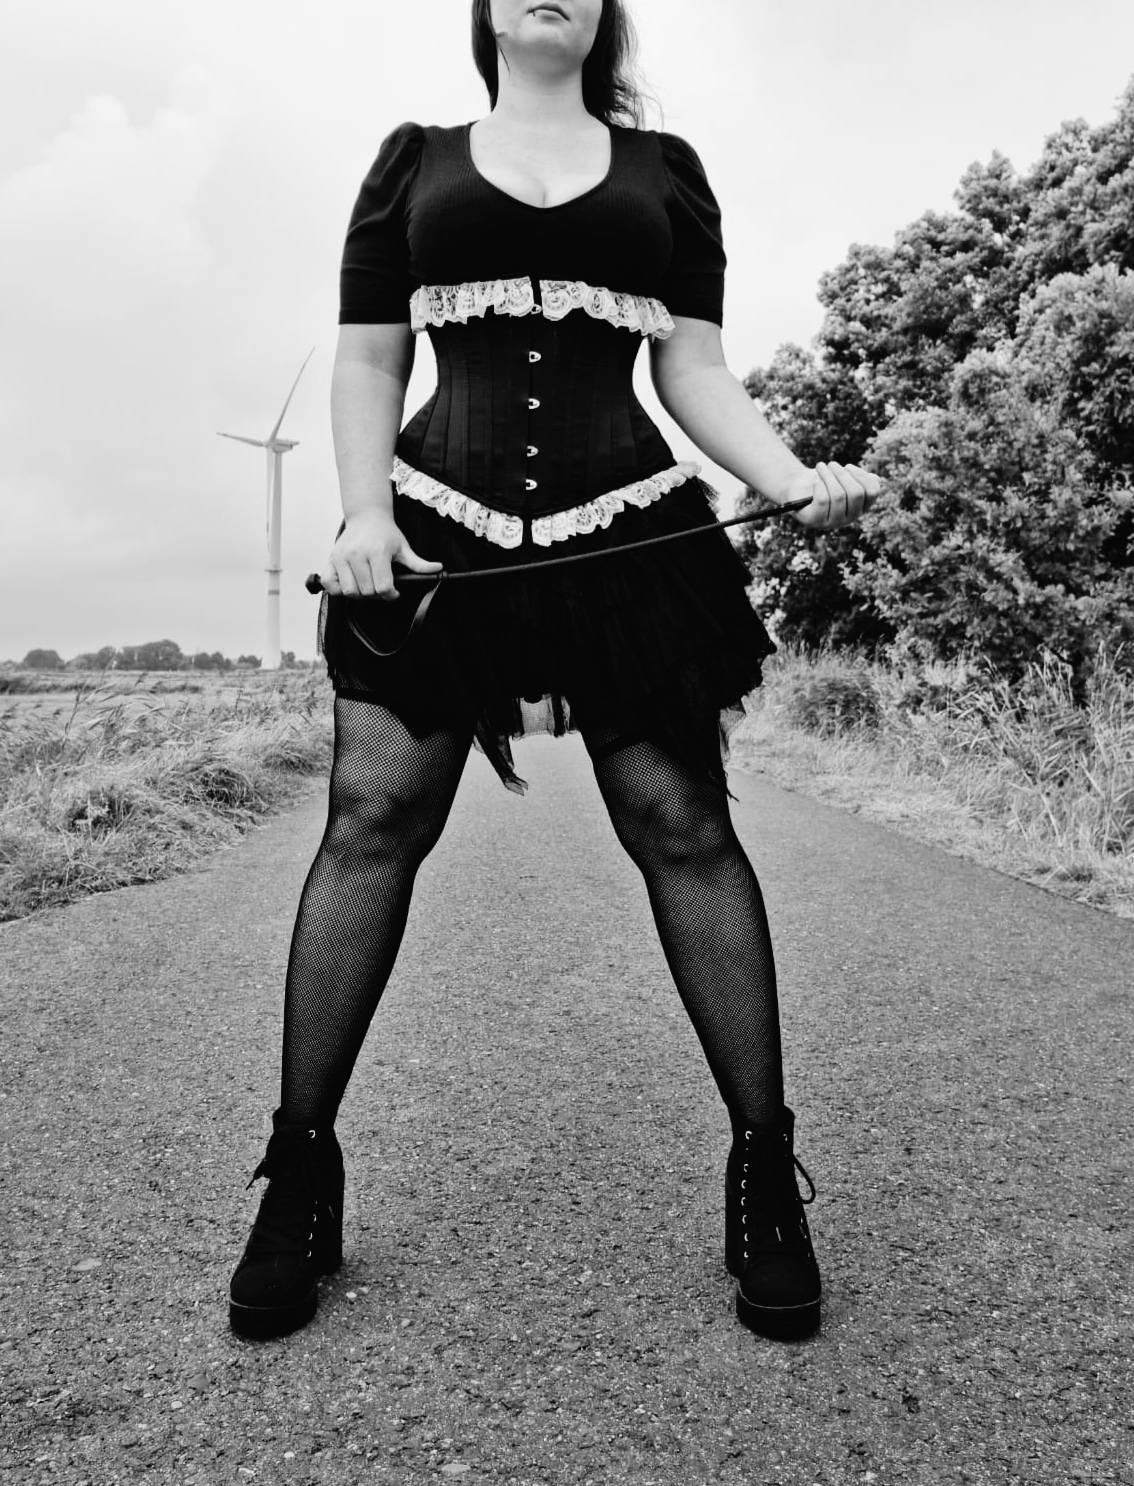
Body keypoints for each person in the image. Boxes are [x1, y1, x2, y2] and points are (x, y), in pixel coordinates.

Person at [229, 0, 880, 1344]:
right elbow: (369, 357)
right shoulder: (412, 162)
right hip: (433, 532)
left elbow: (693, 367)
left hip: (629, 531)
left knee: (682, 826)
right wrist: (363, 516)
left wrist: (786, 477)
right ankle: (298, 1172)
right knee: (371, 821)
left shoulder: (666, 175)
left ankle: (765, 1174)